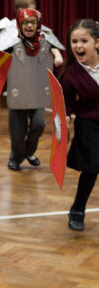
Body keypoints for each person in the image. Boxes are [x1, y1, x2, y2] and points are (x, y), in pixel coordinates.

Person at [5, 8, 61, 171]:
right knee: (18, 132)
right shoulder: (11, 42)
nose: (29, 25)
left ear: (38, 25)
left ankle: (28, 153)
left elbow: (53, 47)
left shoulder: (45, 41)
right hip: (18, 92)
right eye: (25, 22)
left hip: (37, 91)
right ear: (20, 24)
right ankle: (15, 158)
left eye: (33, 22)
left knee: (39, 124)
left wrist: (57, 56)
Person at [61, 19, 99, 231]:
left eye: (84, 40)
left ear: (97, 42)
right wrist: (65, 115)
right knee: (91, 168)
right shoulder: (72, 74)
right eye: (74, 41)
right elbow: (65, 102)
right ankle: (77, 209)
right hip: (89, 125)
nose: (78, 45)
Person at [0, 0, 64, 64]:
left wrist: (57, 55)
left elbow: (49, 42)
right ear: (20, 11)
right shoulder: (8, 29)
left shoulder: (37, 27)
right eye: (31, 10)